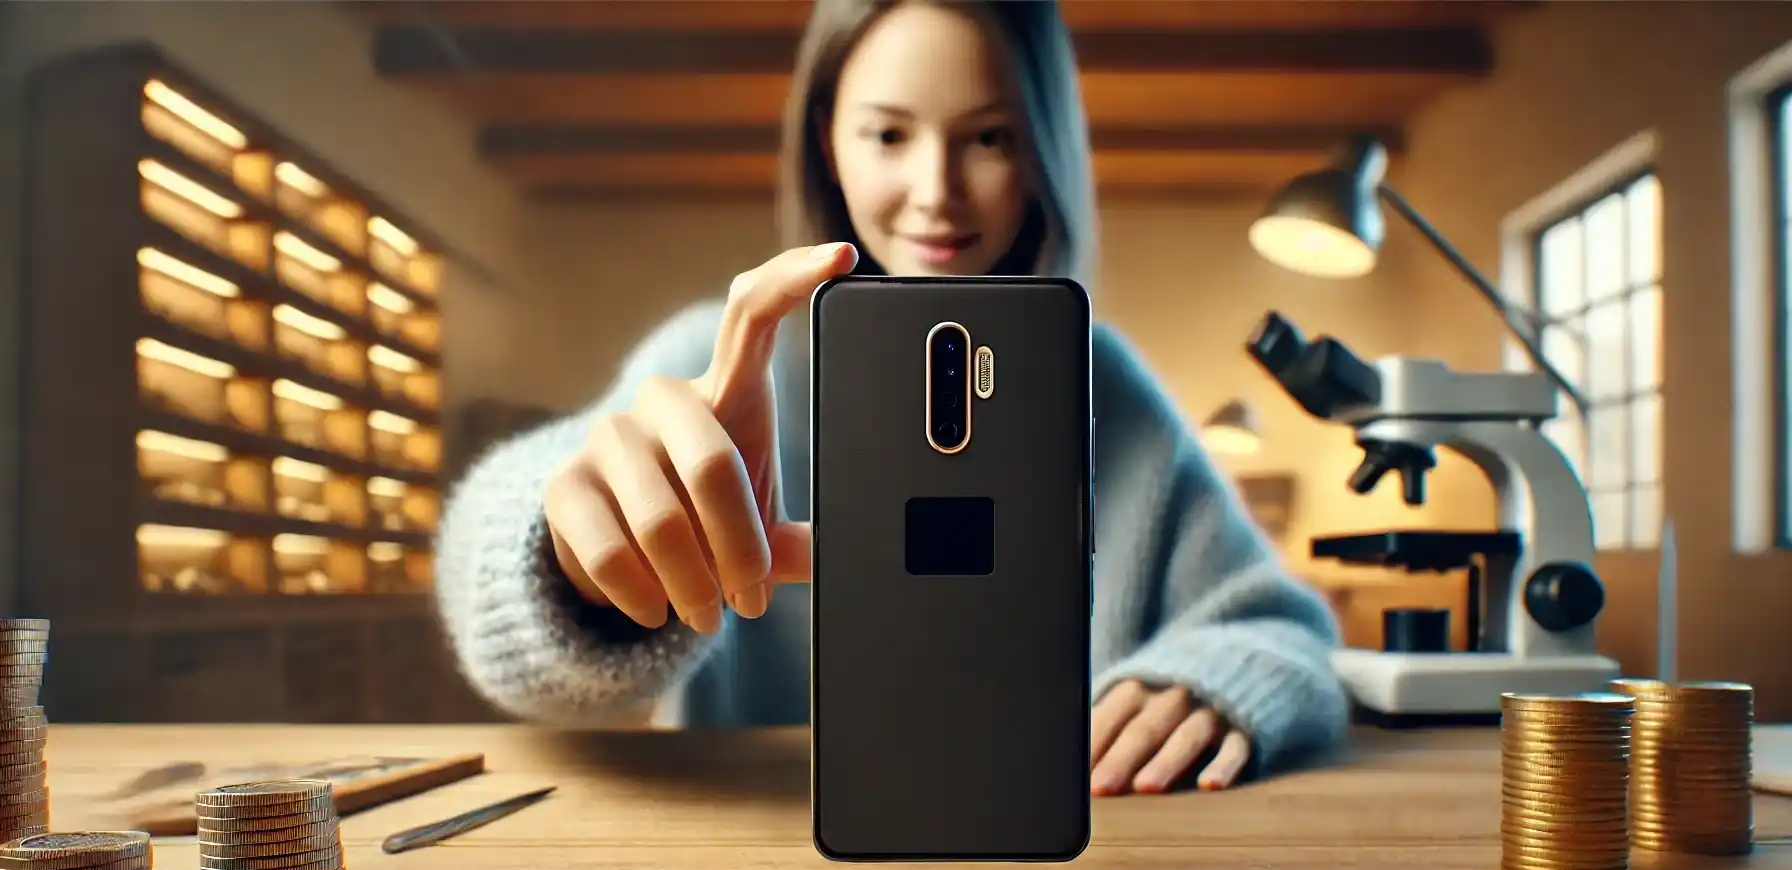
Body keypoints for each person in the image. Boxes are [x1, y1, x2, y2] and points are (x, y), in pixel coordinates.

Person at [433, 0, 1348, 795]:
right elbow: (505, 587)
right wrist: (559, 555)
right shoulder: (714, 362)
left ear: (1044, 150)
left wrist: (1217, 673)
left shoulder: (1104, 385)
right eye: (888, 134)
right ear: (827, 139)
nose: (936, 192)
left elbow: (1284, 626)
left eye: (989, 136)